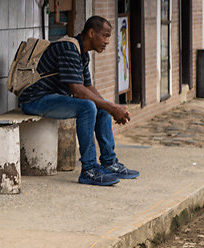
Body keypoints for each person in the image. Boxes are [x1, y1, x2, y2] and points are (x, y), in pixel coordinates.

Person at [19, 16, 139, 186]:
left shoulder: (82, 54)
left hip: (53, 99)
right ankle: (89, 170)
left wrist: (110, 107)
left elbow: (88, 87)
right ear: (91, 33)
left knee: (101, 106)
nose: (107, 41)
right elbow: (77, 91)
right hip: (35, 100)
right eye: (105, 36)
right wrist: (113, 107)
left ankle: (109, 163)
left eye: (108, 37)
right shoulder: (69, 48)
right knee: (88, 107)